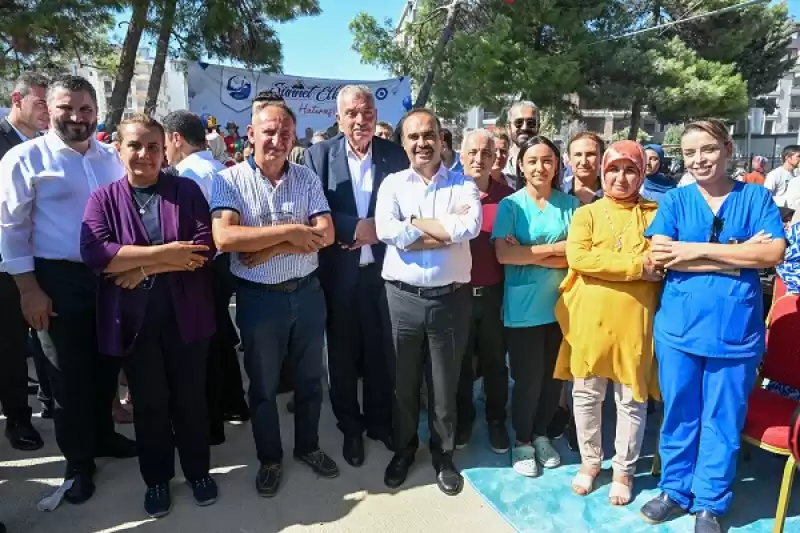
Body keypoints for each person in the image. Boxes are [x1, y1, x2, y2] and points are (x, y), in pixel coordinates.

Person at [640, 119, 786, 533]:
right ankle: (675, 489)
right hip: (679, 331)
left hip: (735, 334)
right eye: (690, 153)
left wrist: (690, 251)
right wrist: (737, 252)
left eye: (708, 149)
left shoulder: (755, 197)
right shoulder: (675, 201)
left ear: (726, 149)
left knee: (722, 418)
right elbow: (660, 257)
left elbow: (772, 252)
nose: (699, 159)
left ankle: (710, 502)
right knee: (679, 413)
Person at [0, 74, 136, 505]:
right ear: (49, 109)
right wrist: (28, 290)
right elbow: (10, 229)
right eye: (66, 108)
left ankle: (103, 437)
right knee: (66, 378)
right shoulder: (24, 159)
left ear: (96, 111)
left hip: (108, 278)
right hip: (54, 281)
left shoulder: (110, 158)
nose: (76, 117)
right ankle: (78, 464)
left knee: (104, 365)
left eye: (84, 108)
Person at [80, 114, 218, 518]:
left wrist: (138, 267)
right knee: (150, 404)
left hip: (186, 316)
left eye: (153, 147)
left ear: (164, 150)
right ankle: (157, 478)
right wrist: (164, 255)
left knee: (191, 401)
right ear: (119, 149)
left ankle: (198, 473)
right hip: (135, 324)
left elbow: (201, 248)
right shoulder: (103, 199)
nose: (144, 154)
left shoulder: (185, 191)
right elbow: (95, 254)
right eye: (135, 146)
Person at [210, 100, 339, 497]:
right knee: (263, 388)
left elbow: (326, 234)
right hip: (258, 300)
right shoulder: (229, 180)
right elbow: (226, 238)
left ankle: (308, 447)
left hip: (307, 294)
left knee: (310, 381)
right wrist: (292, 233)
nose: (277, 139)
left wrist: (268, 246)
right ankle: (270, 457)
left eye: (285, 132)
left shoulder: (306, 178)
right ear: (251, 134)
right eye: (269, 131)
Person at [376, 108, 481, 496]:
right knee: (403, 384)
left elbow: (468, 227)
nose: (422, 143)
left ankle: (444, 455)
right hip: (401, 299)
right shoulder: (391, 185)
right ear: (403, 143)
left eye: (429, 135)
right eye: (414, 136)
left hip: (450, 301)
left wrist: (413, 223)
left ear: (441, 139)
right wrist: (443, 230)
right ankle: (403, 450)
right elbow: (387, 230)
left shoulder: (463, 185)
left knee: (444, 385)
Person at [554, 141, 662, 506]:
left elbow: (658, 261)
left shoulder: (655, 213)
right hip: (590, 321)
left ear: (642, 174)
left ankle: (623, 470)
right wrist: (634, 267)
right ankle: (589, 462)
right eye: (613, 169)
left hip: (635, 321)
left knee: (631, 398)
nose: (621, 177)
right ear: (603, 172)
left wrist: (612, 264)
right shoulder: (587, 214)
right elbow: (580, 256)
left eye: (630, 169)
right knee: (586, 395)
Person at [305, 85, 408, 467]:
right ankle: (350, 426)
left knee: (384, 352)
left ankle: (380, 422)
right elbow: (315, 209)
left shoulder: (395, 156)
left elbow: (407, 208)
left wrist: (375, 229)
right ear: (338, 118)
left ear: (376, 115)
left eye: (366, 112)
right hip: (339, 274)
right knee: (343, 355)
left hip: (386, 273)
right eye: (352, 114)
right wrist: (353, 229)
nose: (360, 120)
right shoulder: (317, 156)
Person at [492, 136, 579, 478]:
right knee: (528, 379)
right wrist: (553, 251)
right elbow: (503, 254)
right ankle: (524, 441)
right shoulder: (511, 206)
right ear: (521, 166)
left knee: (553, 379)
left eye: (547, 160)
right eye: (532, 161)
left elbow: (577, 254)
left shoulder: (571, 205)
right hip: (523, 308)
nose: (540, 167)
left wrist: (528, 253)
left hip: (561, 307)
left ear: (558, 165)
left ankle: (542, 434)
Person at [162, 110, 249, 444]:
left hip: (202, 265)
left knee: (205, 344)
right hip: (227, 263)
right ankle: (234, 403)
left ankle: (214, 419)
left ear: (175, 139)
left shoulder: (184, 177)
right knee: (221, 336)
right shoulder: (221, 169)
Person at [454, 130, 513, 453]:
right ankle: (464, 418)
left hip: (493, 295)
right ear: (461, 156)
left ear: (495, 158)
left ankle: (495, 419)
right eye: (472, 153)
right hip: (457, 293)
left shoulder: (508, 198)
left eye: (486, 153)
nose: (479, 159)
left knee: (494, 363)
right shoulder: (447, 192)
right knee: (460, 364)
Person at [0, 72, 50, 452]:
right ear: (17, 100)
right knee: (10, 343)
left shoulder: (44, 144)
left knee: (40, 338)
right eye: (41, 102)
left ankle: (47, 403)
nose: (47, 111)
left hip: (42, 259)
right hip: (6, 262)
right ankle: (17, 418)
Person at [563, 131, 604, 205]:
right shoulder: (558, 193)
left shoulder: (611, 196)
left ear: (601, 158)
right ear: (569, 159)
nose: (584, 162)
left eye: (590, 154)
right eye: (578, 155)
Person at [503, 101, 539, 175]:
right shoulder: (498, 162)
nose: (524, 127)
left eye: (530, 122)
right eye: (519, 122)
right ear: (508, 128)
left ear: (538, 127)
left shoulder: (550, 162)